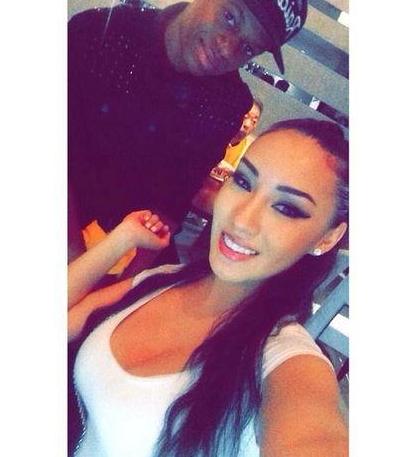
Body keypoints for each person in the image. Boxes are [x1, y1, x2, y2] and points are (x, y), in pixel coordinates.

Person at [68, 118, 349, 456]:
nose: (242, 219)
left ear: (327, 237)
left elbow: (313, 435)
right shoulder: (163, 280)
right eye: (243, 182)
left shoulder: (285, 361)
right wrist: (121, 240)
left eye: (286, 208)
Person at [68, 0, 309, 272]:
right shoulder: (100, 33)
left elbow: (170, 205)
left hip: (121, 247)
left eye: (249, 48)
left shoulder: (228, 103)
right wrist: (77, 262)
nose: (228, 48)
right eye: (229, 17)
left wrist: (126, 285)